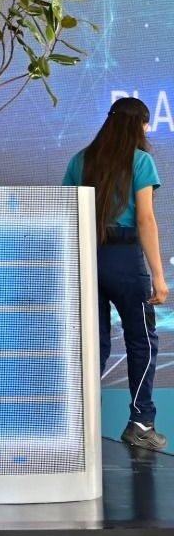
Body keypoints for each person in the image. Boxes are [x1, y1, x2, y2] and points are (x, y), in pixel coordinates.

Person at [64, 95, 169, 451]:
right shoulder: (141, 161)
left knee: (94, 343)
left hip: (85, 258)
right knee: (142, 341)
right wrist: (158, 275)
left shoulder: (81, 160)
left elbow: (65, 212)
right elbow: (145, 219)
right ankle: (141, 421)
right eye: (145, 123)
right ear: (138, 124)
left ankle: (82, 422)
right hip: (125, 259)